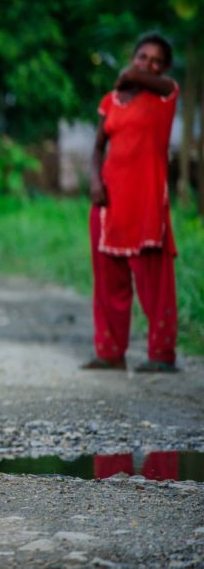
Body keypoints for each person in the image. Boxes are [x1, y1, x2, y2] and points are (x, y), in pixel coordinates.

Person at [83, 33, 179, 373]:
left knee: (154, 280)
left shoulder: (166, 95)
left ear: (164, 68)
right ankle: (110, 352)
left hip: (147, 201)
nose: (149, 64)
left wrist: (131, 73)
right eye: (143, 57)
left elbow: (142, 78)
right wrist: (95, 181)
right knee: (109, 280)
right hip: (109, 204)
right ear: (133, 55)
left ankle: (161, 354)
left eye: (157, 60)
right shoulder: (111, 101)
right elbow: (97, 148)